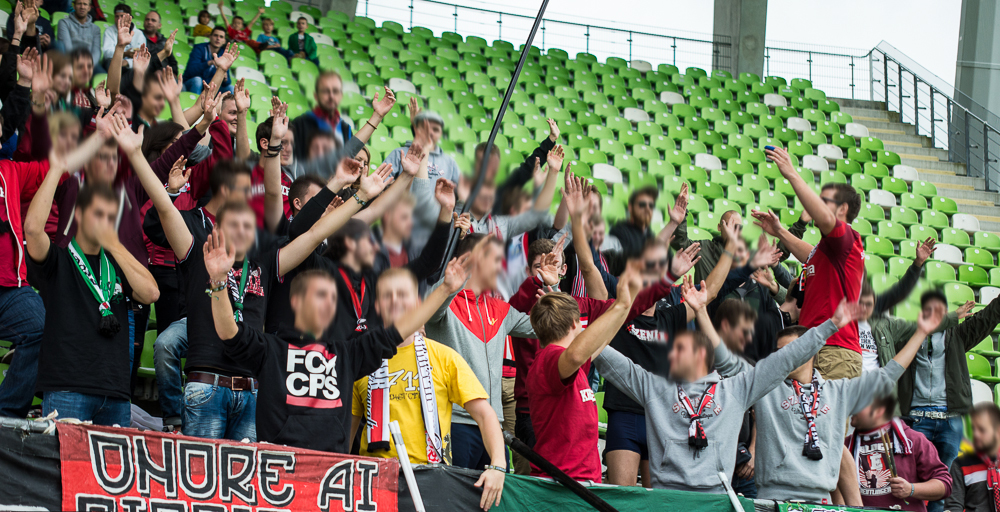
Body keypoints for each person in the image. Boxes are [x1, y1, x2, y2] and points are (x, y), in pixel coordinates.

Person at [594, 288, 863, 492]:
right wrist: (574, 328)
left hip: (717, 497)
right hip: (669, 497)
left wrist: (830, 326)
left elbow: (785, 360)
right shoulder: (655, 386)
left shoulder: (735, 388)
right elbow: (606, 358)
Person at [707, 276, 946, 503]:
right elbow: (726, 361)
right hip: (774, 498)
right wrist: (700, 312)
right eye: (779, 352)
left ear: (809, 352)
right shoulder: (766, 387)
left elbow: (888, 375)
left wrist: (921, 333)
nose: (784, 358)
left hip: (822, 499)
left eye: (791, 351)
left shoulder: (838, 391)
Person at [347, 269, 505, 511]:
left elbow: (485, 414)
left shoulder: (444, 357)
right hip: (373, 481)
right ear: (377, 305)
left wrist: (498, 466)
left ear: (417, 303)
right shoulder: (361, 359)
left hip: (431, 480)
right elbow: (347, 430)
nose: (395, 301)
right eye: (387, 295)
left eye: (402, 294)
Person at [23, 143, 160, 425]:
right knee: (63, 470)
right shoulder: (59, 257)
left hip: (116, 394)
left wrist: (117, 247)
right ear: (81, 215)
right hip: (68, 388)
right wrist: (58, 169)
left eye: (112, 216)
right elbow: (33, 230)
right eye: (99, 214)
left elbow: (151, 293)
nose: (106, 221)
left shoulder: (117, 263)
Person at [753, 146, 865, 380]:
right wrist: (779, 231)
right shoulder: (828, 248)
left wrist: (791, 173)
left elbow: (822, 218)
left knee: (826, 417)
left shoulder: (846, 238)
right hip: (815, 347)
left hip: (833, 350)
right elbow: (808, 254)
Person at [526, 264, 642, 482]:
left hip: (582, 484)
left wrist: (628, 300)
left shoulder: (570, 364)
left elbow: (605, 337)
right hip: (561, 486)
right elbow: (575, 355)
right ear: (574, 322)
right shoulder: (549, 358)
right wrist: (618, 306)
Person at [898, 290, 1000, 512]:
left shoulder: (958, 335)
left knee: (945, 487)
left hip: (950, 420)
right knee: (907, 479)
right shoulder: (907, 336)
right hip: (915, 419)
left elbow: (988, 318)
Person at [848, 394, 952, 512]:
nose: (851, 409)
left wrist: (911, 489)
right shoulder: (846, 447)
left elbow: (945, 485)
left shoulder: (913, 440)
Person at [945, 402, 1000, 512]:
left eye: (982, 430)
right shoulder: (960, 464)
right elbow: (953, 506)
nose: (976, 434)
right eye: (974, 429)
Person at [289, 70, 351, 160]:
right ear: (316, 95)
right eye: (326, 91)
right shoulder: (299, 125)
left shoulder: (346, 129)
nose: (331, 96)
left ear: (341, 95)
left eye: (335, 91)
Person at [182, 27, 236, 94]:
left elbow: (227, 83)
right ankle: (196, 104)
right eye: (215, 35)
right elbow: (191, 71)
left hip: (210, 88)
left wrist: (225, 79)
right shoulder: (199, 48)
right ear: (210, 37)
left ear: (224, 41)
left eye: (221, 37)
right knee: (197, 81)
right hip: (192, 84)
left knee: (231, 88)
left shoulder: (224, 54)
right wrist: (209, 63)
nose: (218, 38)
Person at [608, 186, 657, 258]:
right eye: (642, 204)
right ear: (630, 207)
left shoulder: (650, 235)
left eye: (651, 206)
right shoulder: (619, 231)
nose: (647, 208)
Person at [57, 0, 103, 73]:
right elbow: (66, 46)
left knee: (103, 76)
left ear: (89, 8)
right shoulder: (64, 23)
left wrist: (88, 64)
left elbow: (96, 51)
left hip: (89, 62)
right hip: (70, 59)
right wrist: (79, 63)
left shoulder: (96, 28)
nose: (82, 7)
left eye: (85, 4)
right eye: (79, 4)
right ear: (74, 6)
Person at [100, 4, 145, 68]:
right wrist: (124, 54)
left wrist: (127, 63)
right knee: (109, 63)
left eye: (122, 16)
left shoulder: (139, 34)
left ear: (129, 17)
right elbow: (107, 53)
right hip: (114, 63)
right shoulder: (109, 31)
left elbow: (141, 57)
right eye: (116, 16)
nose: (119, 19)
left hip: (132, 66)